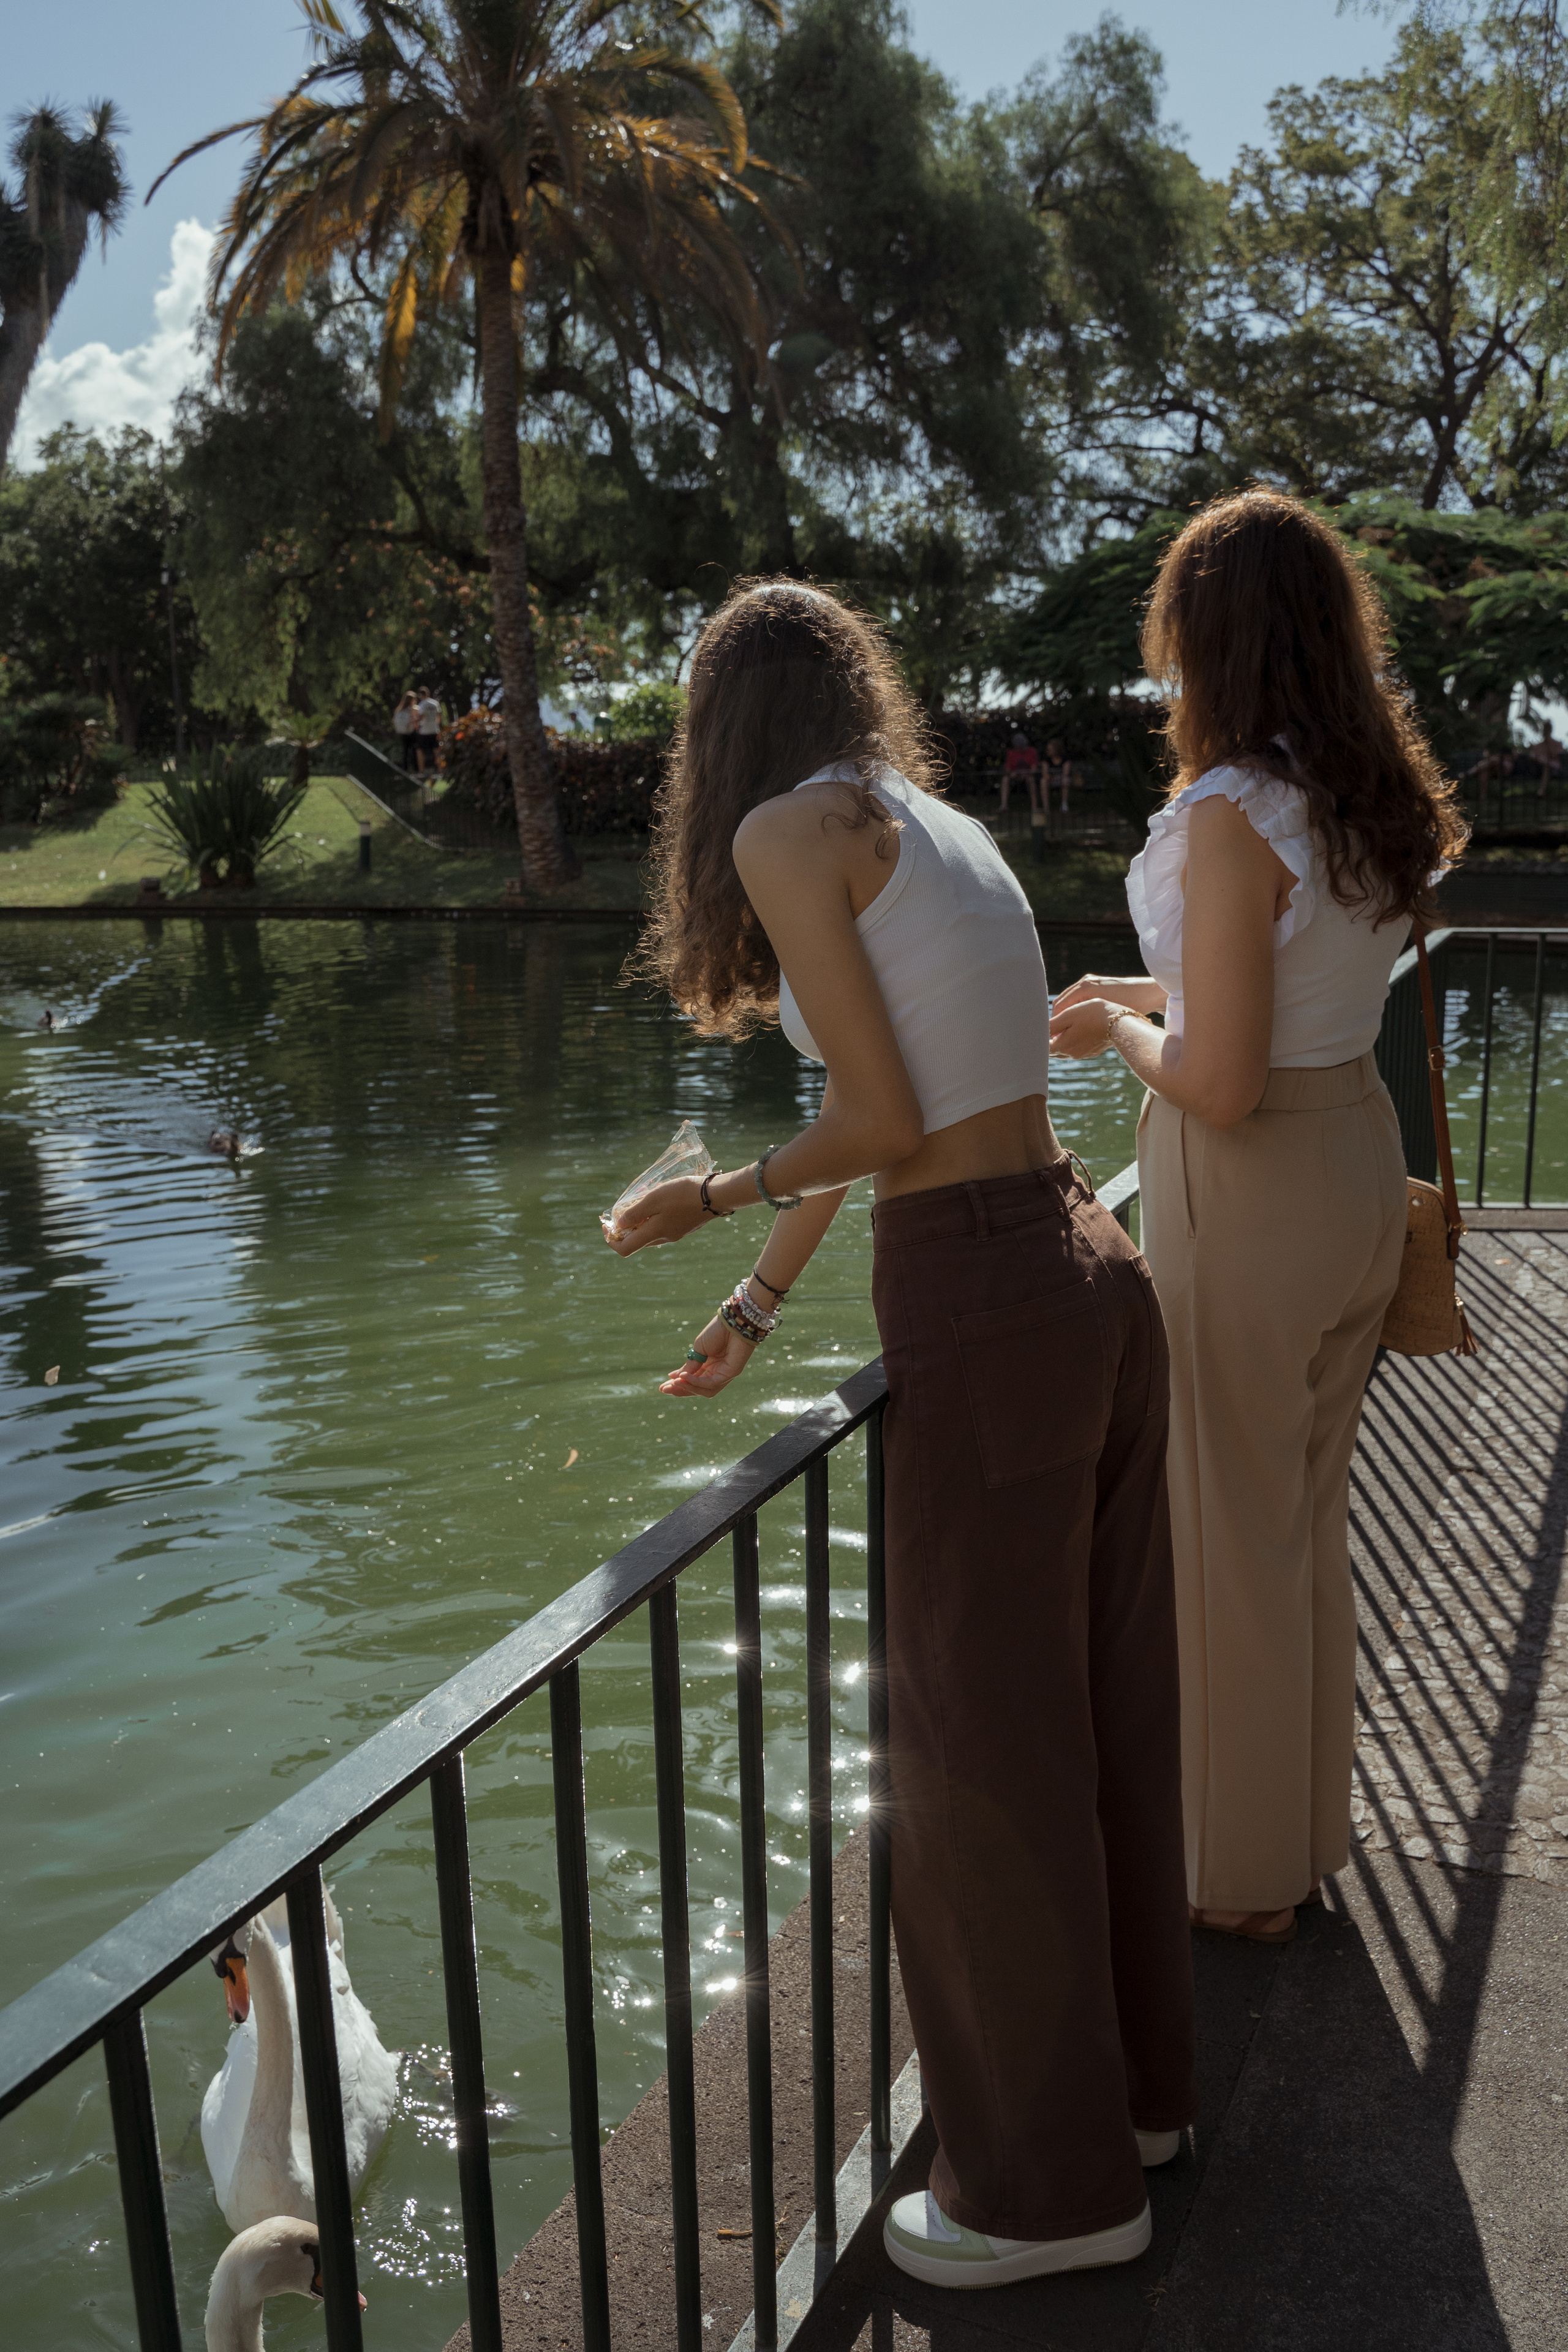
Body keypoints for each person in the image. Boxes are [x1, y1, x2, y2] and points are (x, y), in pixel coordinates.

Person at [606, 581, 1194, 2287]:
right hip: (1085, 1261)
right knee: (1094, 1718)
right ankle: (1134, 2106)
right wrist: (764, 1308)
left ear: (718, 732)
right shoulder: (922, 822)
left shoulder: (795, 833)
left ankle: (1053, 2199)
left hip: (989, 1299)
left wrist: (706, 1204)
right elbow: (910, 1094)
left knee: (969, 1764)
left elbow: (866, 1118)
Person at [1052, 489, 1466, 1945]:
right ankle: (1293, 1837)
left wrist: (1114, 1039)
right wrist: (1130, 996)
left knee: (1224, 1536)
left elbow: (1218, 1080)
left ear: (1210, 644)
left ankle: (1231, 1881)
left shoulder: (1232, 814)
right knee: (1294, 1519)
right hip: (1353, 1159)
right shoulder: (1353, 795)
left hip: (1249, 1183)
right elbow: (1283, 994)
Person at [998, 729, 1040, 816]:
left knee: (1031, 780)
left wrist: (1027, 773)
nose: (1022, 748)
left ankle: (1034, 807)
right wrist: (1012, 774)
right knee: (1005, 779)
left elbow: (1034, 769)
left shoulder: (1032, 751)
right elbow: (1008, 769)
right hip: (1015, 777)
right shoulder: (1011, 753)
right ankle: (1004, 806)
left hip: (1028, 776)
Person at [1042, 736, 1076, 817]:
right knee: (1043, 781)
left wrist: (1056, 777)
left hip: (1062, 779)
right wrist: (1050, 778)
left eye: (1050, 750)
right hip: (1051, 780)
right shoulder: (1047, 759)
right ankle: (1046, 808)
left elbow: (1066, 773)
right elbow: (1045, 773)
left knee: (1066, 780)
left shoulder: (1065, 758)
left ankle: (1064, 805)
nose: (1048, 751)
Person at [415, 687, 442, 774]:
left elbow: (421, 717)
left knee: (420, 750)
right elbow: (439, 717)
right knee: (437, 751)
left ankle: (421, 771)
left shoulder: (422, 704)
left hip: (424, 731)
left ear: (420, 695)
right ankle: (441, 770)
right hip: (435, 730)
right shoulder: (435, 703)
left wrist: (414, 721)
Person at [392, 690, 419, 771]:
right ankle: (416, 769)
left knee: (405, 751)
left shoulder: (399, 709)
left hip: (403, 733)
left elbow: (394, 720)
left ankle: (405, 769)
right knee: (414, 751)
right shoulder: (413, 709)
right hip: (412, 732)